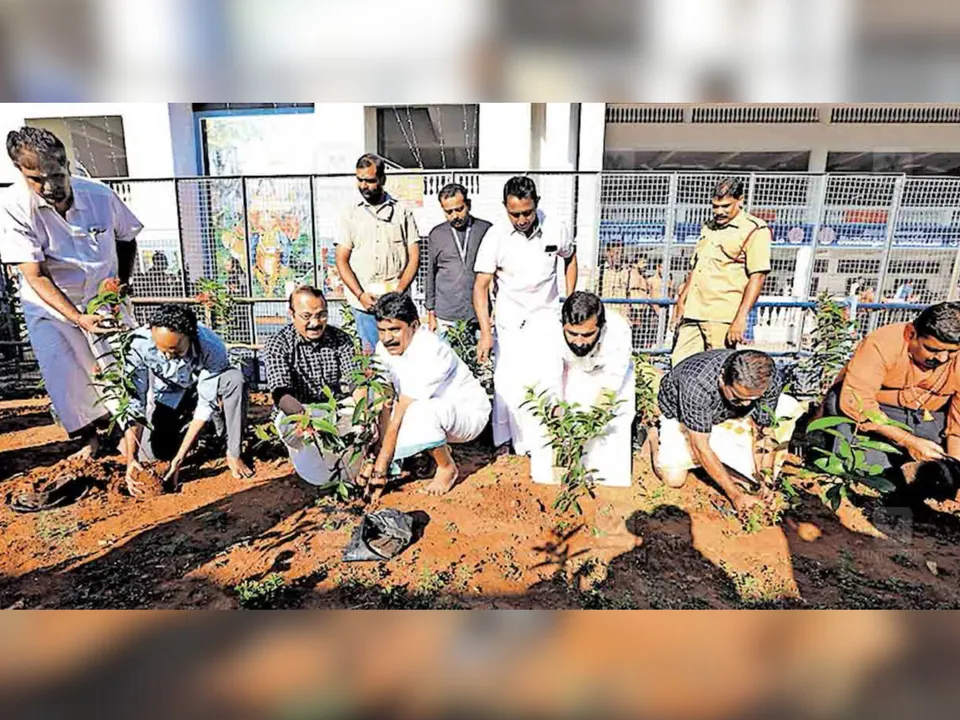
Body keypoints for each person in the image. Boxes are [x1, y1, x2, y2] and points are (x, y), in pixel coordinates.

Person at [0, 126, 142, 458]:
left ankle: (128, 435)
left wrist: (120, 283)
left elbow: (127, 239)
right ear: (20, 172)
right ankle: (88, 439)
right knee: (64, 373)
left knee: (116, 367)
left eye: (56, 174)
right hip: (49, 306)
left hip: (103, 300)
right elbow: (35, 274)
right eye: (37, 179)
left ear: (67, 163)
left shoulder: (100, 196)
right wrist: (78, 318)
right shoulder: (11, 206)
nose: (50, 187)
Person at [473, 175, 577, 455]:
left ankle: (550, 440)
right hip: (510, 321)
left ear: (537, 204)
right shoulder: (495, 236)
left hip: (546, 316)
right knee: (508, 382)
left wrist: (570, 300)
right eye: (514, 214)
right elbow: (481, 286)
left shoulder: (556, 229)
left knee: (550, 377)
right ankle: (505, 442)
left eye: (527, 213)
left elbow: (569, 257)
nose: (521, 220)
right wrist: (485, 332)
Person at [822, 302, 960, 494]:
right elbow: (856, 401)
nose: (942, 359)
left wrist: (956, 474)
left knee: (939, 472)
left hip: (928, 419)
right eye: (933, 350)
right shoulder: (883, 343)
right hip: (874, 417)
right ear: (911, 334)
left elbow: (957, 428)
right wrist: (907, 440)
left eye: (952, 352)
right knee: (866, 472)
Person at [363, 293, 490, 496]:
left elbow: (402, 411)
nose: (387, 338)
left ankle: (447, 467)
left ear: (414, 325)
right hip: (435, 412)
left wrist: (381, 468)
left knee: (417, 411)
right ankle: (429, 453)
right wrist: (378, 454)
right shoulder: (383, 349)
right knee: (372, 403)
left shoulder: (431, 349)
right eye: (382, 331)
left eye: (395, 330)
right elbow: (386, 401)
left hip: (467, 416)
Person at [122, 304, 253, 494]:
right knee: (155, 453)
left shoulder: (211, 346)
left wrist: (179, 460)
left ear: (191, 337)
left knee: (234, 380)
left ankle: (233, 450)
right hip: (171, 393)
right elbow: (136, 401)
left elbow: (205, 403)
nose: (167, 356)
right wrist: (131, 459)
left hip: (205, 388)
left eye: (175, 351)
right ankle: (200, 432)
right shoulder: (137, 344)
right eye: (162, 350)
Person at [654, 349, 783, 514]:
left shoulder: (767, 381)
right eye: (737, 397)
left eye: (752, 400)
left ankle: (706, 465)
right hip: (680, 414)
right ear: (722, 378)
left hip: (725, 416)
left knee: (751, 480)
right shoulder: (697, 382)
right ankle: (652, 435)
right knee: (674, 478)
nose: (745, 404)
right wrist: (736, 496)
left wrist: (766, 481)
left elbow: (764, 433)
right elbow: (700, 445)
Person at [262, 285, 362, 484]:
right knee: (313, 465)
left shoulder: (340, 339)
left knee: (360, 421)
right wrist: (306, 421)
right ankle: (319, 475)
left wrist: (364, 413)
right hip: (298, 412)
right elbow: (281, 394)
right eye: (306, 316)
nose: (315, 323)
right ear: (291, 314)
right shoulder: (278, 344)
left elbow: (354, 381)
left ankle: (349, 471)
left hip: (333, 408)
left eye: (322, 315)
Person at [670, 177, 771, 366]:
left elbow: (757, 277)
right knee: (679, 366)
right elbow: (696, 268)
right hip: (694, 311)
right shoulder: (708, 228)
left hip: (722, 314)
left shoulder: (755, 229)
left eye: (725, 206)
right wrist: (681, 302)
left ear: (740, 200)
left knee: (717, 369)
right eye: (715, 206)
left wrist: (740, 319)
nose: (719, 211)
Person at [541, 291, 636, 487]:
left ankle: (605, 482)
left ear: (601, 327)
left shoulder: (619, 330)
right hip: (572, 370)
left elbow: (610, 388)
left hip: (609, 377)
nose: (578, 341)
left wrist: (587, 428)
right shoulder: (549, 330)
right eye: (572, 333)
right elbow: (551, 380)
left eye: (587, 334)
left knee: (613, 427)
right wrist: (561, 428)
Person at [334, 154, 420, 354]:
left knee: (404, 358)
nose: (364, 185)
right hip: (366, 306)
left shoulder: (402, 212)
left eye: (370, 180)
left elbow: (414, 257)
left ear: (382, 179)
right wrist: (360, 295)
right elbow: (341, 260)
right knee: (373, 362)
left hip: (397, 305)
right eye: (360, 179)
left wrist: (398, 291)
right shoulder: (349, 213)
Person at [424, 183, 492, 335]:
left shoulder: (485, 230)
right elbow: (431, 273)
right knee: (446, 358)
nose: (455, 216)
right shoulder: (436, 234)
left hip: (478, 314)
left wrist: (495, 310)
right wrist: (430, 311)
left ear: (468, 205)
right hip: (446, 315)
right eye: (449, 212)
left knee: (479, 357)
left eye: (459, 209)